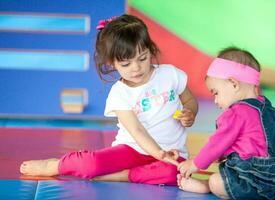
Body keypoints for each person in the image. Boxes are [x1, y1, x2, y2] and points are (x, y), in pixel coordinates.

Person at [20, 14, 198, 185]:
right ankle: (56, 165)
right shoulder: (119, 93)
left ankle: (124, 176)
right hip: (131, 149)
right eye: (126, 64)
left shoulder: (170, 74)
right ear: (112, 63)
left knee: (175, 174)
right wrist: (158, 153)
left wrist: (190, 112)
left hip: (172, 153)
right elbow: (137, 130)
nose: (136, 68)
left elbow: (189, 100)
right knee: (91, 164)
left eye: (142, 58)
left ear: (150, 50)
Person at [177, 47, 275, 199]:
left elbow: (217, 143)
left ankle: (207, 186)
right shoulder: (269, 109)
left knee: (216, 180)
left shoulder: (236, 113)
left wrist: (195, 164)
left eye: (216, 92)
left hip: (253, 180)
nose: (215, 100)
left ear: (234, 84)